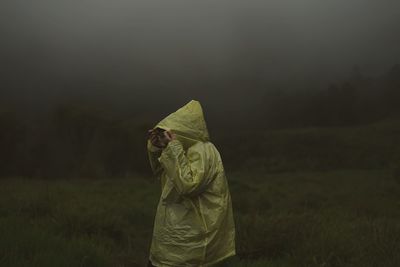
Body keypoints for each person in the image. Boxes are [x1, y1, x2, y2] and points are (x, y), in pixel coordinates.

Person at [146, 100, 236, 267]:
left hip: (193, 237)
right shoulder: (181, 147)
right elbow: (161, 172)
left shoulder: (204, 150)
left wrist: (172, 147)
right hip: (174, 231)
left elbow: (189, 185)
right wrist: (157, 148)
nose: (169, 135)